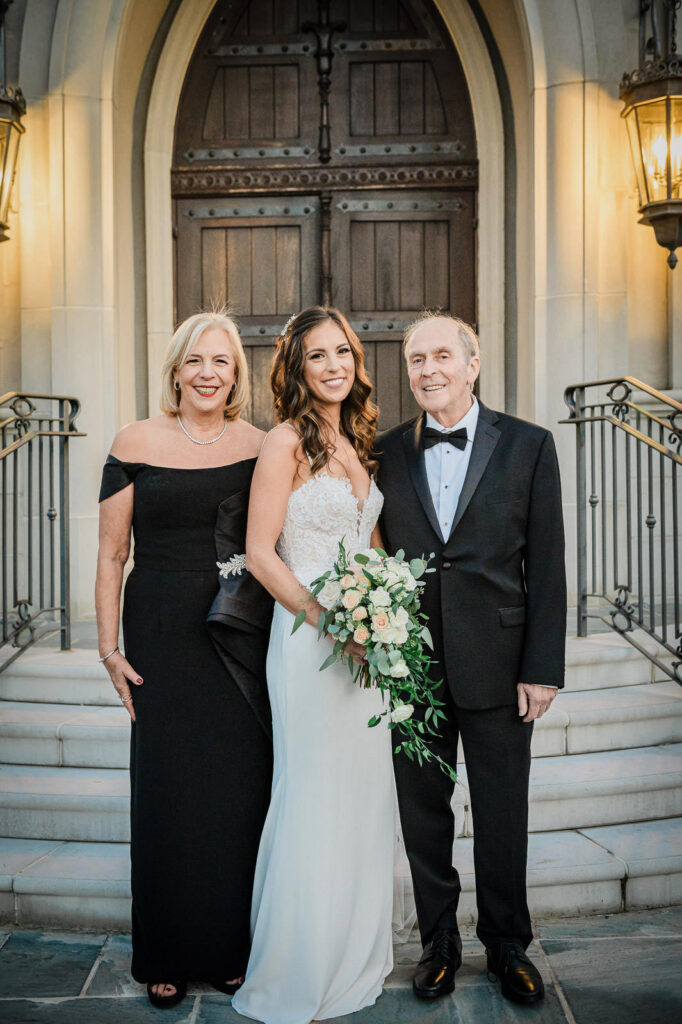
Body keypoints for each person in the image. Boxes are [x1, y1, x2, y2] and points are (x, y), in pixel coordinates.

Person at [377, 313, 566, 1006]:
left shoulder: (529, 445)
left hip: (501, 658)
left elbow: (547, 563)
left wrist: (542, 666)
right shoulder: (385, 452)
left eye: (441, 357)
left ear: (472, 363)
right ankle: (438, 944)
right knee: (424, 814)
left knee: (501, 809)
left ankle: (509, 943)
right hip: (413, 668)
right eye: (416, 360)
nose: (428, 370)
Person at [95, 310, 272, 1008]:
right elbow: (111, 554)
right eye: (195, 361)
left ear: (236, 374)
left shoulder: (263, 445)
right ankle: (164, 950)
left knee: (237, 787)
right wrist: (110, 648)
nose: (207, 373)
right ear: (175, 369)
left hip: (237, 630)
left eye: (221, 362)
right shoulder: (134, 440)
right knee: (167, 790)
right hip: (160, 628)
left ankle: (229, 948)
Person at [232, 307, 394, 1024]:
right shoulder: (284, 442)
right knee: (313, 798)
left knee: (359, 801)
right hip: (309, 640)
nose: (332, 366)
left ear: (357, 361)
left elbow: (377, 549)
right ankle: (298, 967)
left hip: (368, 645)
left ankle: (352, 957)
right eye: (317, 356)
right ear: (296, 370)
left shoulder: (356, 439)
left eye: (342, 353)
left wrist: (389, 619)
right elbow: (262, 554)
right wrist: (333, 621)